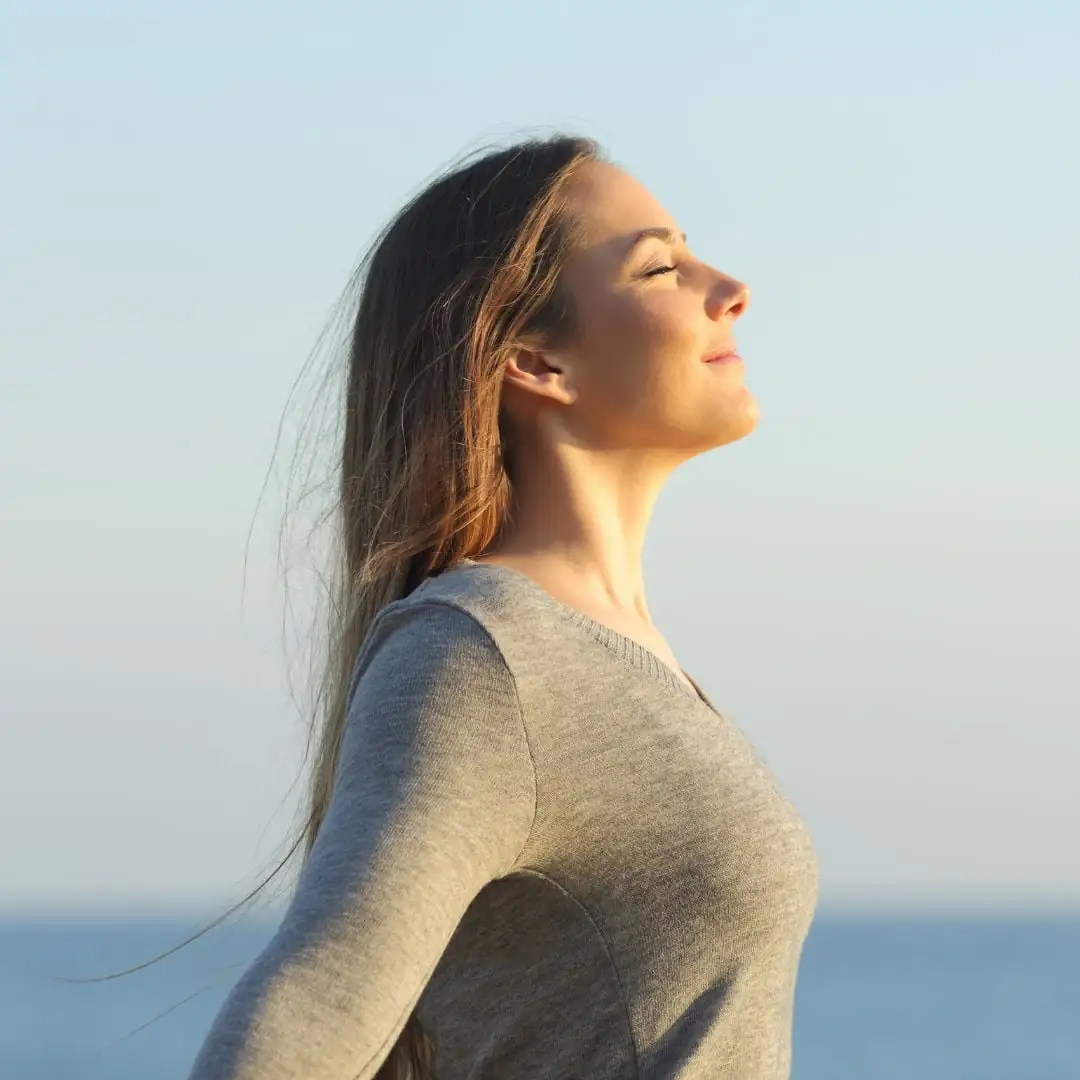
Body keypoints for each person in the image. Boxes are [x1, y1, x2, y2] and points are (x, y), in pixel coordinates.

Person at [187, 133, 819, 1080]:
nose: (729, 286)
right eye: (660, 267)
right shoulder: (482, 656)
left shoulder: (602, 652)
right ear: (534, 363)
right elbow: (296, 1030)